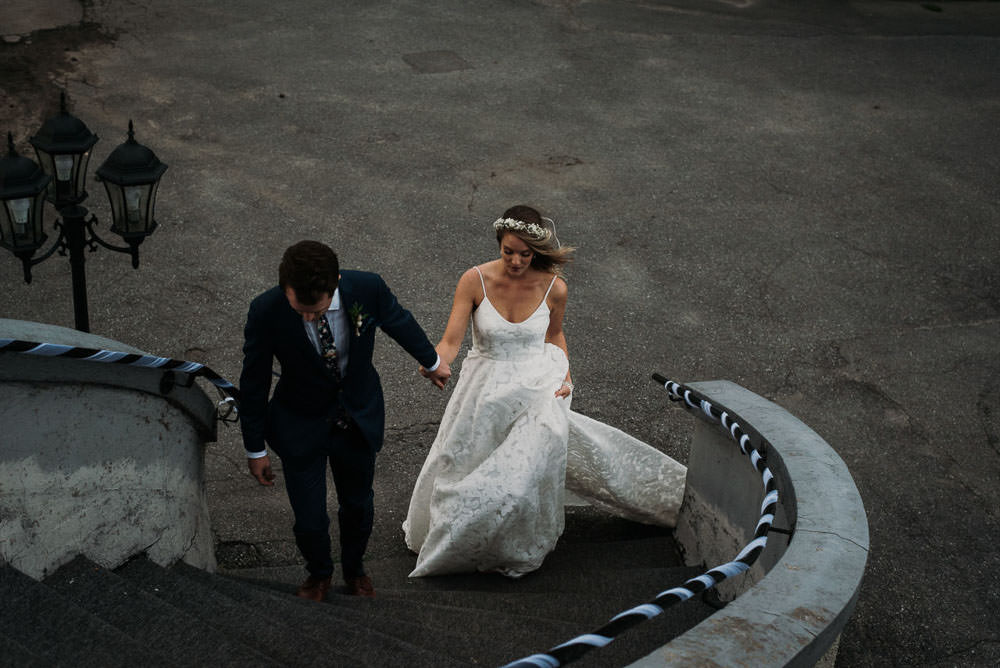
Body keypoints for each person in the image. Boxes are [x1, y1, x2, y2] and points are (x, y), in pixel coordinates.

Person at [403, 205, 687, 578]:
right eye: (509, 251)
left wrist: (566, 376)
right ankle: (465, 537)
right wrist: (436, 361)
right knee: (467, 469)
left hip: (537, 388)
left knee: (518, 480)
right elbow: (451, 340)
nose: (517, 260)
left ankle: (511, 546)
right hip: (482, 393)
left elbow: (554, 334)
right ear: (498, 245)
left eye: (525, 253)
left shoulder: (555, 288)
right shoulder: (473, 280)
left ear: (537, 250)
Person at [240, 240, 451, 601]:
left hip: (357, 418)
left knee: (357, 505)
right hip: (299, 424)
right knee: (309, 519)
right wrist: (254, 447)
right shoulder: (266, 310)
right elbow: (254, 379)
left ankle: (355, 570)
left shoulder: (366, 288)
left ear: (335, 283)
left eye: (315, 309)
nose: (308, 317)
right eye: (299, 308)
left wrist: (431, 362)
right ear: (283, 288)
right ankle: (319, 573)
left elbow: (397, 320)